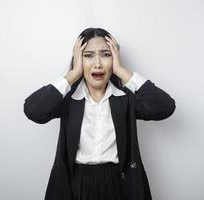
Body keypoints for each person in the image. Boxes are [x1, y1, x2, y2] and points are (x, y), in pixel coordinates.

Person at [23, 28, 176, 200]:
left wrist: (121, 71)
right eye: (88, 55)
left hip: (119, 183)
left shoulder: (125, 99)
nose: (98, 64)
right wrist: (73, 74)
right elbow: (33, 110)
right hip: (75, 184)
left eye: (105, 55)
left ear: (114, 58)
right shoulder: (68, 99)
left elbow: (165, 107)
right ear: (78, 59)